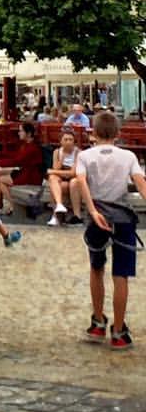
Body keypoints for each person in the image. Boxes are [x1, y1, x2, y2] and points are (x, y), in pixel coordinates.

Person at [76, 110, 146, 350]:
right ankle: (118, 330)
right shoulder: (128, 157)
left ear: (93, 132)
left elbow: (81, 182)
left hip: (98, 217)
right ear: (118, 133)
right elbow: (141, 183)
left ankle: (97, 321)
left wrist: (92, 209)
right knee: (121, 275)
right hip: (123, 218)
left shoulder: (85, 156)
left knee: (96, 268)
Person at [0, 121, 43, 211]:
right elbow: (15, 155)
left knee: (0, 180)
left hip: (30, 177)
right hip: (25, 172)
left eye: (21, 131)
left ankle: (11, 205)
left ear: (29, 133)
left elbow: (16, 161)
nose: (19, 133)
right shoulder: (26, 144)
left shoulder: (32, 148)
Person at [47, 130, 84, 226]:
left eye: (71, 139)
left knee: (73, 182)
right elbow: (56, 167)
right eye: (66, 139)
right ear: (61, 141)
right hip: (61, 179)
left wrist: (53, 171)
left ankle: (75, 216)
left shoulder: (78, 153)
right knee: (52, 179)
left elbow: (72, 173)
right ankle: (59, 205)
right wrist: (62, 158)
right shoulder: (57, 152)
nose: (68, 142)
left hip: (73, 180)